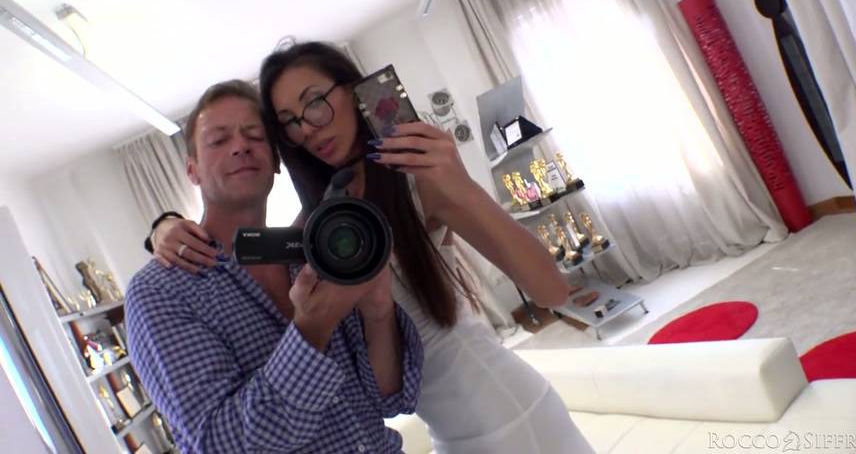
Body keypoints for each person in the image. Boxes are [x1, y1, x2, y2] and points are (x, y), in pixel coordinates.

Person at [147, 42, 594, 453]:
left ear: (353, 90)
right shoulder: (323, 217)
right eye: (290, 123)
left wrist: (461, 186)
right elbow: (249, 247)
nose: (308, 129)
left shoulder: (415, 178)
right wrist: (163, 228)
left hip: (512, 417)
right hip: (448, 435)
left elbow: (552, 290)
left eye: (315, 102)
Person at [125, 79, 423, 454]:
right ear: (192, 171)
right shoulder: (160, 291)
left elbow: (387, 399)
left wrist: (378, 312)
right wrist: (312, 328)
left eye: (255, 135)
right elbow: (218, 446)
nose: (240, 146)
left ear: (277, 162)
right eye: (218, 140)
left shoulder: (313, 253)